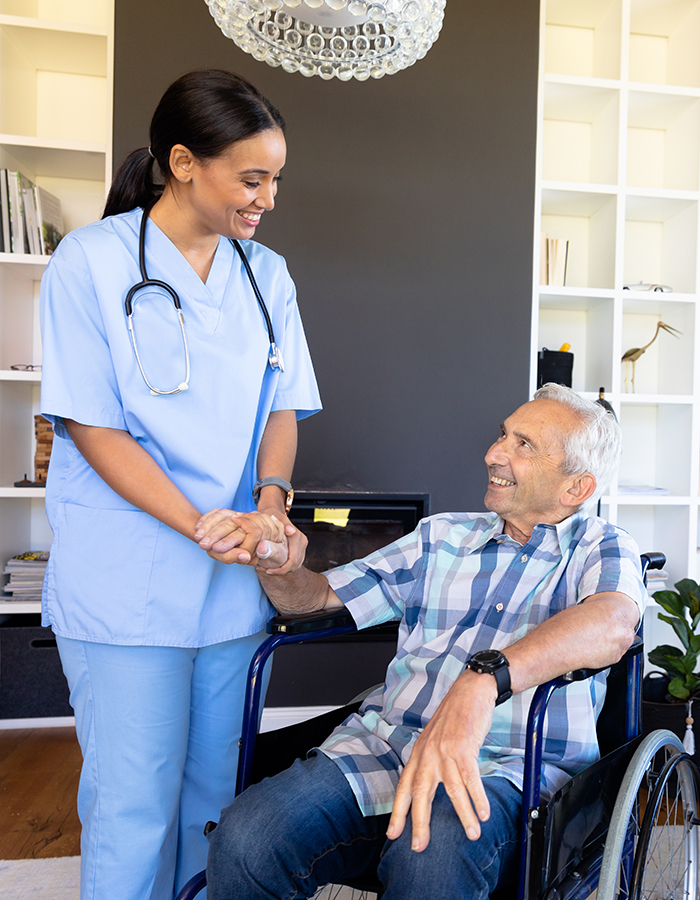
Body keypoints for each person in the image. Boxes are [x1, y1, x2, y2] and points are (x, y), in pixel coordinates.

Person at [39, 70, 321, 900]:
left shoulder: (267, 274)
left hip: (232, 581)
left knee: (215, 805)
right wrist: (202, 521)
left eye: (275, 179)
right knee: (132, 805)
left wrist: (269, 505)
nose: (266, 198)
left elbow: (283, 408)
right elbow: (92, 427)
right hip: (128, 582)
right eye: (251, 178)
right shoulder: (88, 262)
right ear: (184, 162)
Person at [202, 383, 646, 900]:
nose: (493, 453)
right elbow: (317, 598)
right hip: (387, 748)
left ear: (576, 488)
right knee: (246, 839)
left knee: (428, 856)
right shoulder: (440, 537)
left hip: (512, 771)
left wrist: (484, 680)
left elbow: (613, 623)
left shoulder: (602, 546)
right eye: (503, 434)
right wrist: (279, 565)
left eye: (523, 445)